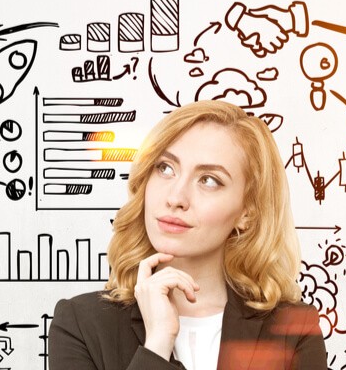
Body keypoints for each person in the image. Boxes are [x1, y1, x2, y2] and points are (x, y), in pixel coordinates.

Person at [49, 100, 326, 369]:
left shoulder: (293, 330)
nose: (176, 197)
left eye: (209, 180)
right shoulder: (80, 324)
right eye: (165, 168)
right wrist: (157, 343)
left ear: (247, 212)